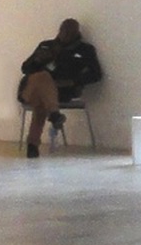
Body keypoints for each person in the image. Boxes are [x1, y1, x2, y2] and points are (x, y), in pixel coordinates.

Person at [17, 19, 103, 158]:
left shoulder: (85, 50)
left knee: (42, 101)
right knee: (43, 77)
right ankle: (54, 114)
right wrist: (38, 61)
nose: (65, 34)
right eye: (63, 30)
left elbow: (96, 74)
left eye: (70, 32)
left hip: (62, 91)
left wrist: (74, 81)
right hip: (31, 89)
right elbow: (25, 68)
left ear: (76, 33)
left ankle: (33, 144)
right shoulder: (46, 46)